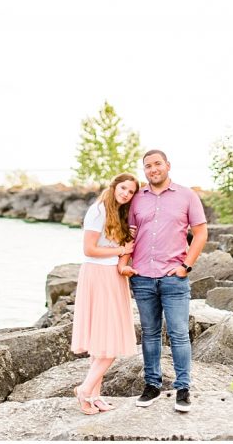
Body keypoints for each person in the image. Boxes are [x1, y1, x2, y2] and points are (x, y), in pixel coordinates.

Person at [119, 149, 208, 413]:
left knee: (180, 335)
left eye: (157, 164)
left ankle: (183, 388)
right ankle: (152, 385)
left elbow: (201, 233)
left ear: (168, 165)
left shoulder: (187, 195)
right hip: (143, 277)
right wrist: (124, 265)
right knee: (149, 334)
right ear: (144, 171)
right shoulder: (136, 200)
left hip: (174, 278)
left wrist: (186, 266)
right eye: (148, 166)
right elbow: (129, 236)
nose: (153, 169)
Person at [70, 173, 140, 414]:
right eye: (123, 188)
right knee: (110, 344)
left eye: (130, 192)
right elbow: (88, 249)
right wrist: (122, 249)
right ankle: (85, 390)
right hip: (98, 276)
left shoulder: (119, 215)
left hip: (113, 276)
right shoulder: (98, 210)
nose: (126, 194)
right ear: (114, 187)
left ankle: (95, 397)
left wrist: (123, 250)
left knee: (102, 343)